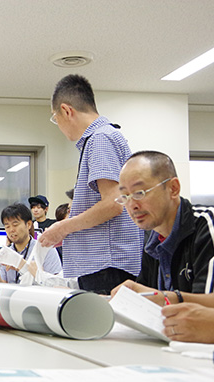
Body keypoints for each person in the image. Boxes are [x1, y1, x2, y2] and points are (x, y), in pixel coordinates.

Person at [112, 135, 214, 343]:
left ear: (173, 189)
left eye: (139, 193)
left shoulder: (210, 223)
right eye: (125, 197)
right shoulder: (152, 237)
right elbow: (145, 307)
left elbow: (204, 315)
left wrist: (163, 298)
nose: (132, 205)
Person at [38, 74, 143, 294]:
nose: (58, 124)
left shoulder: (100, 138)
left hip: (107, 265)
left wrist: (62, 228)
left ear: (66, 111)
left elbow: (114, 203)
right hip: (105, 264)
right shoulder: (103, 137)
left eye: (55, 118)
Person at [0, 203, 61, 284]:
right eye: (7, 226)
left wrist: (24, 267)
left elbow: (56, 286)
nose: (11, 230)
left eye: (15, 225)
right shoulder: (6, 252)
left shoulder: (46, 250)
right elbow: (2, 288)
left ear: (28, 224)